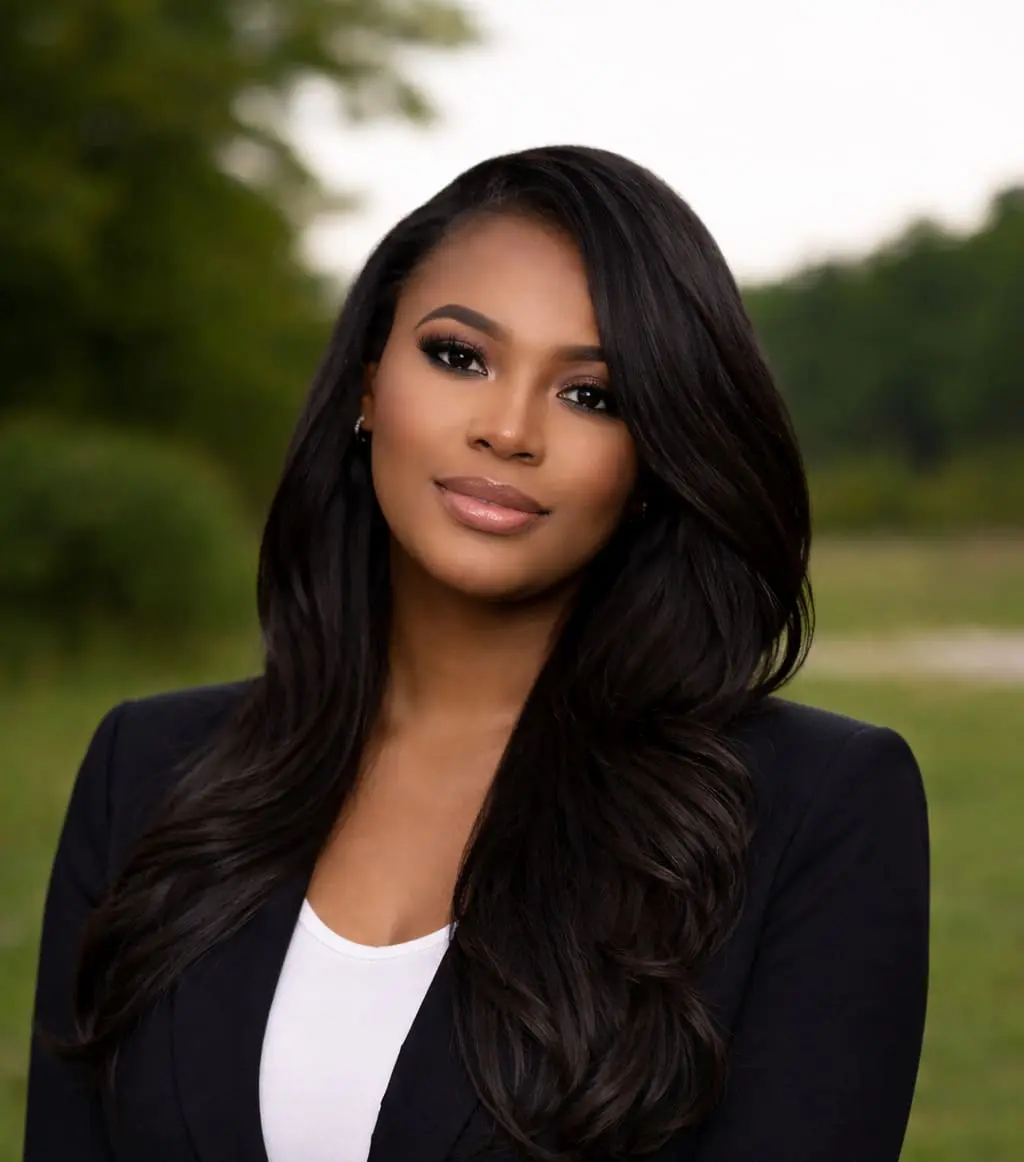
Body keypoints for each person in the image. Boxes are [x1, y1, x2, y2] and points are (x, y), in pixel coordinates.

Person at [23, 145, 929, 1162]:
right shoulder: (146, 769)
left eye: (592, 395)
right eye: (459, 356)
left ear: (651, 459)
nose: (507, 428)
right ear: (369, 382)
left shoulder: (816, 806)